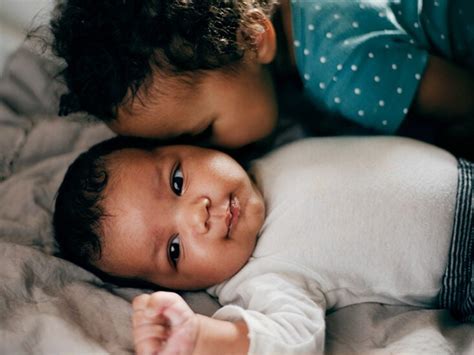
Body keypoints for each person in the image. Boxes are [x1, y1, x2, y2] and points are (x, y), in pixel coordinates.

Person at [53, 135, 473, 354]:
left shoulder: (263, 155)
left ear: (188, 144)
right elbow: (291, 341)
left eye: (178, 182)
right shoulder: (258, 276)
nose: (198, 214)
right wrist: (201, 336)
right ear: (181, 287)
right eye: (174, 250)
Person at [50, 1, 474, 155]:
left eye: (203, 132)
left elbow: (466, 99)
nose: (210, 155)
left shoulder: (342, 72)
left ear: (252, 37)